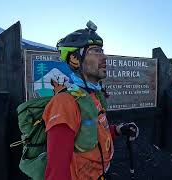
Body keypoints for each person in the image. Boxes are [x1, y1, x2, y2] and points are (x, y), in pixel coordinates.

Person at [43, 20, 139, 180]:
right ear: (74, 59)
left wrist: (117, 130)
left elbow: (93, 132)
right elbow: (56, 172)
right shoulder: (64, 103)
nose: (104, 57)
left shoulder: (91, 96)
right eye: (95, 51)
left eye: (102, 50)